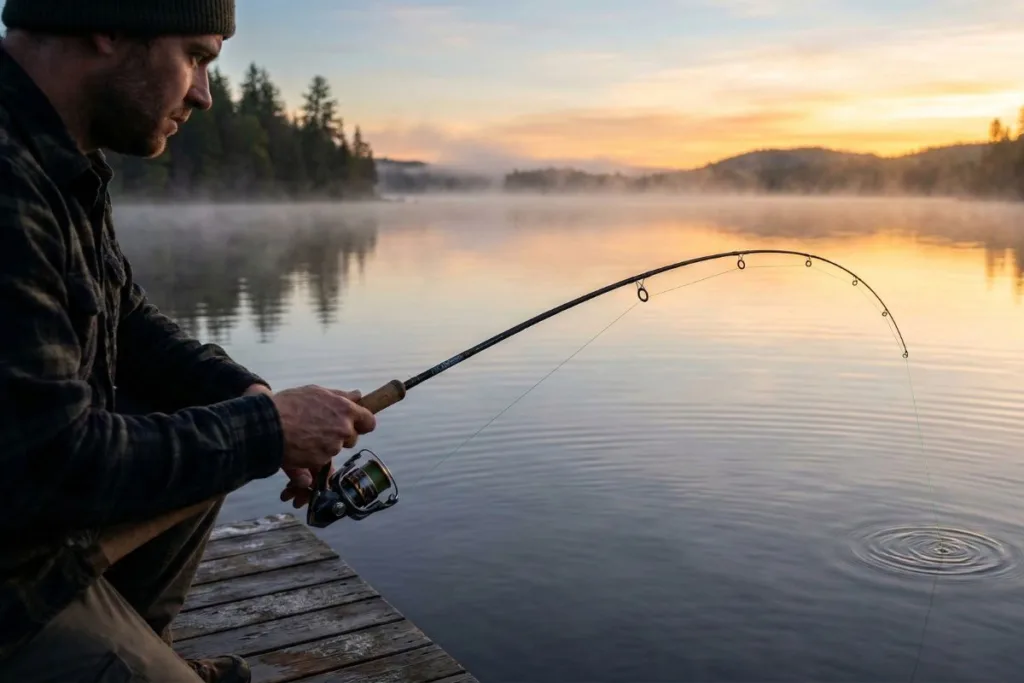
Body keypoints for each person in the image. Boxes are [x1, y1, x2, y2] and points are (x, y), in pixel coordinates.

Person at [0, 1, 378, 681]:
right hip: (13, 582)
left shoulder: (57, 155)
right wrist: (264, 427)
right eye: (197, 57)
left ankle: (137, 638)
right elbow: (51, 464)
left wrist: (251, 397)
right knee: (224, 437)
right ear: (108, 24)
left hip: (27, 536)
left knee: (208, 419)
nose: (204, 94)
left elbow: (128, 321)